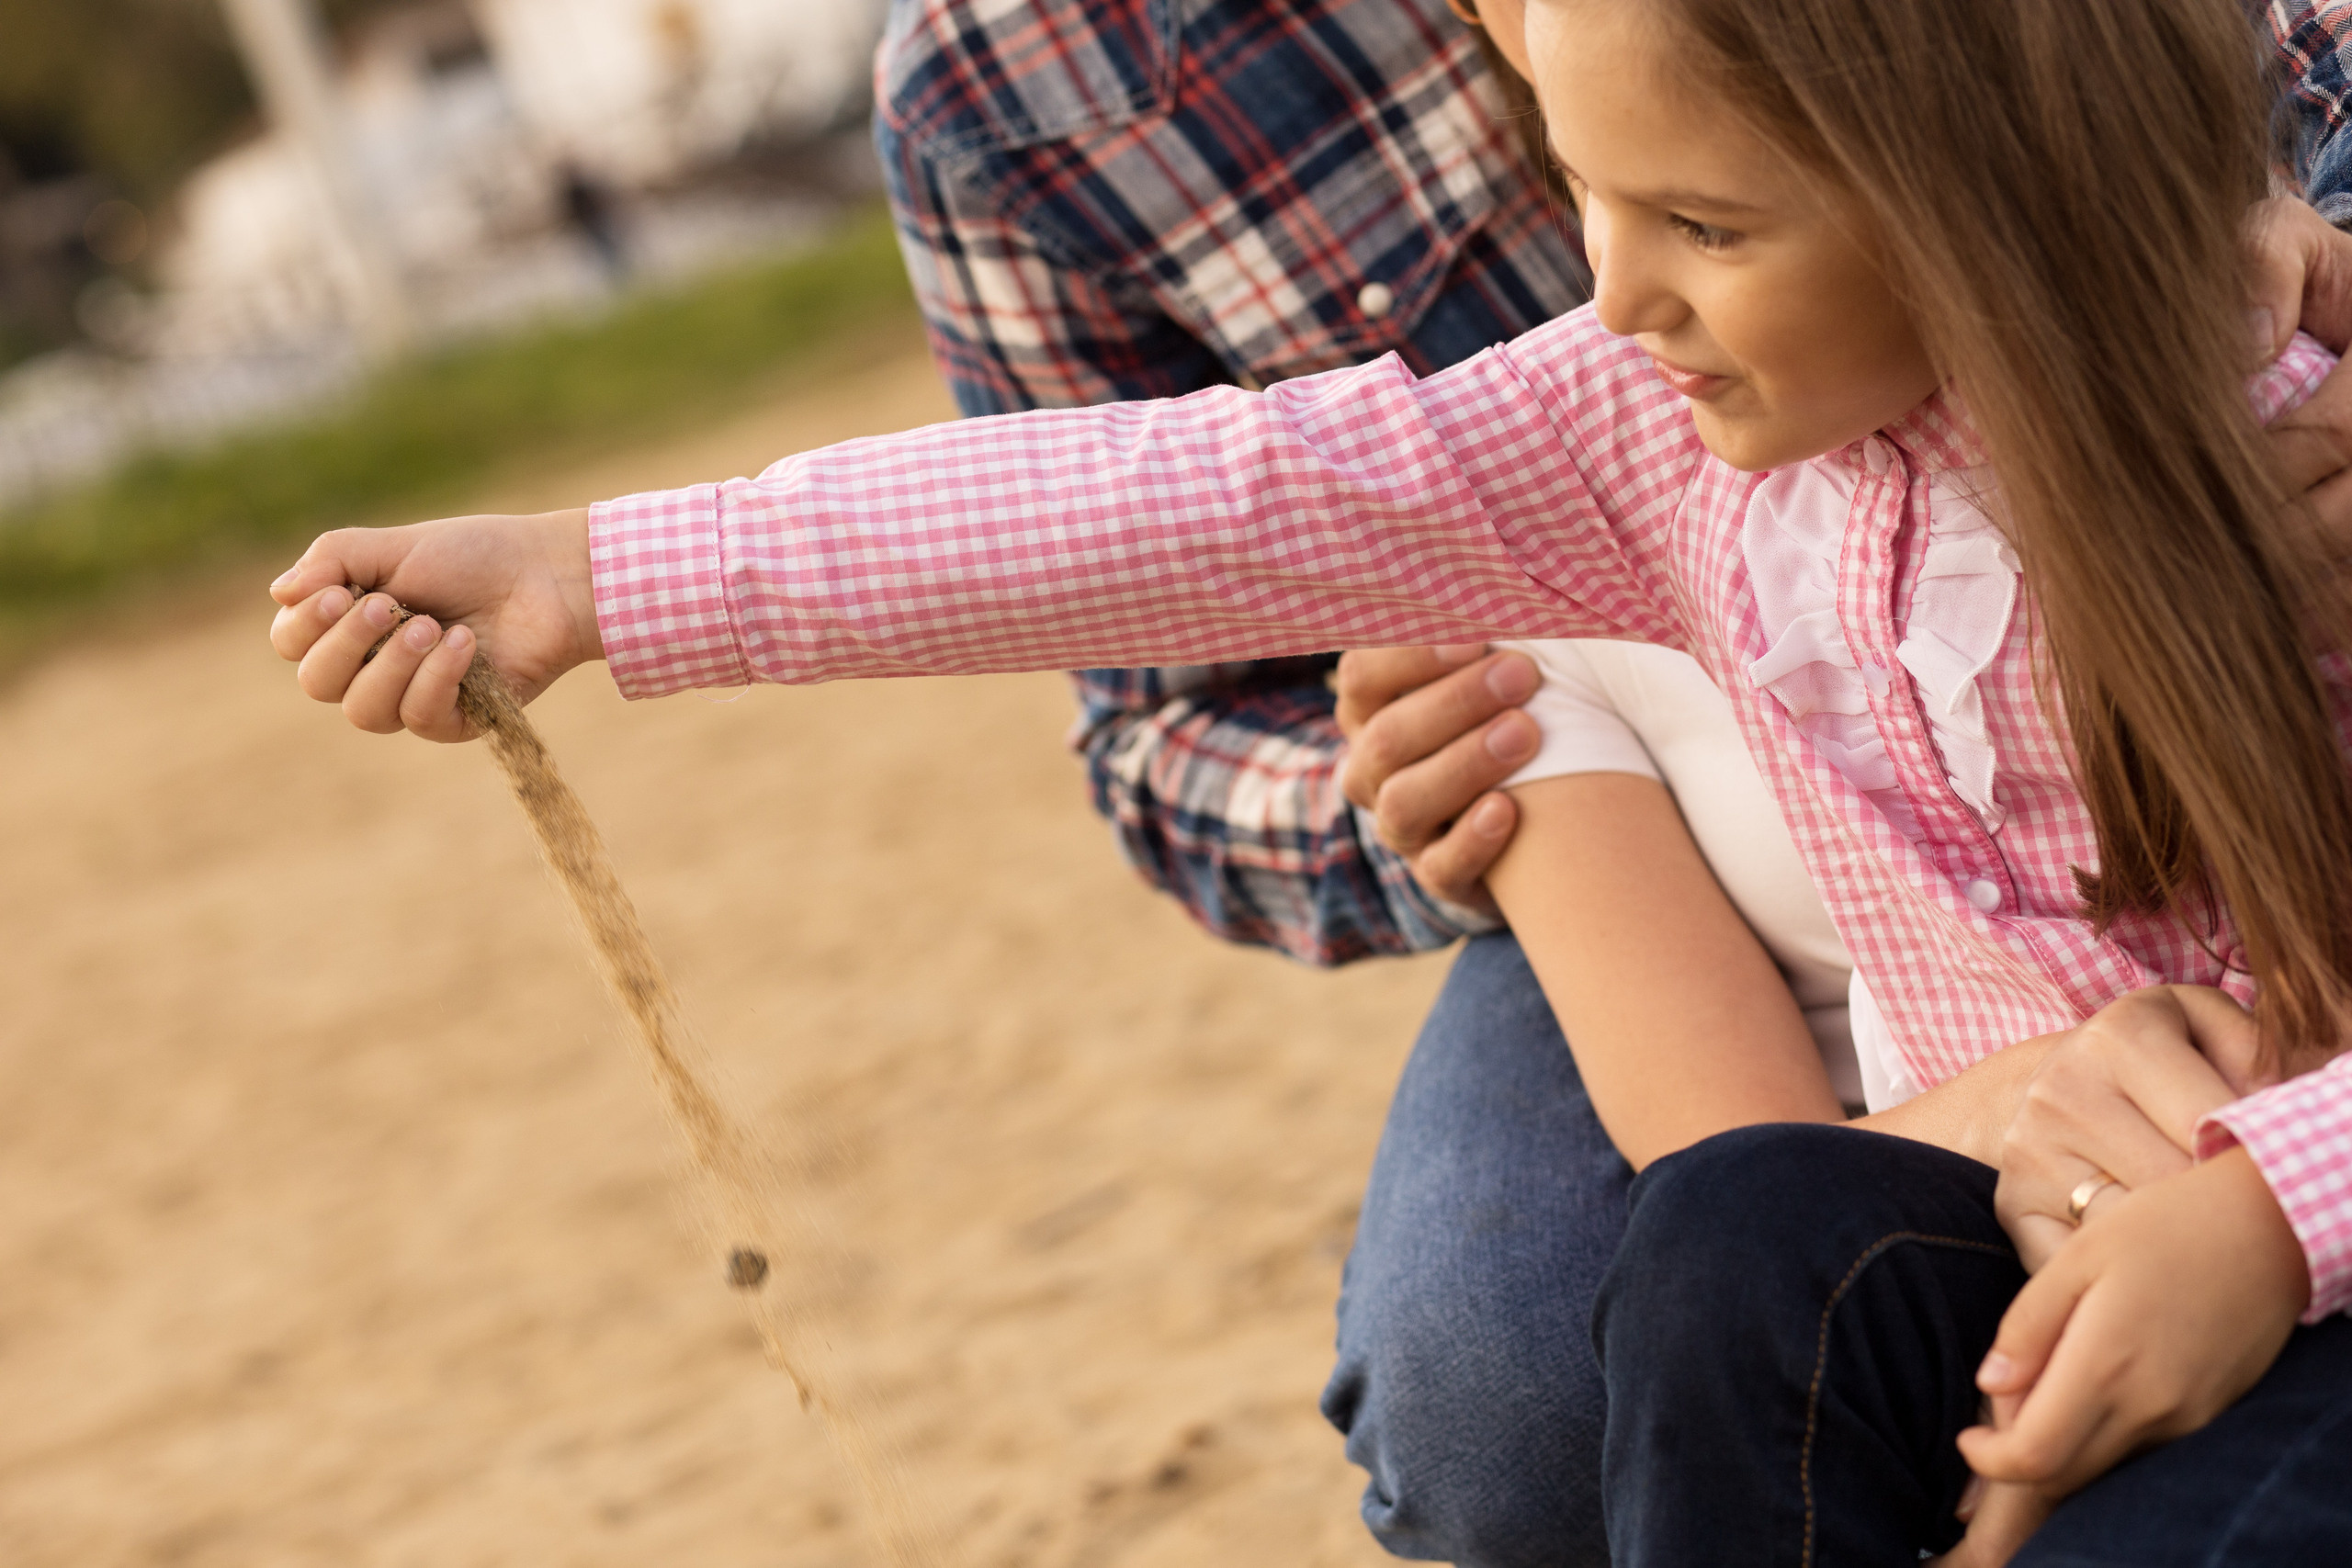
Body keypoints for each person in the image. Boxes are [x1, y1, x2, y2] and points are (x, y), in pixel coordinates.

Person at [267, 0, 2352, 1560]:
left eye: (1697, 221)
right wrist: (601, 577)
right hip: (2001, 1173)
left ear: (1977, 193)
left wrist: (2269, 1207)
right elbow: (1182, 507)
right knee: (1714, 1246)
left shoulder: (2290, 428)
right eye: (1580, 201)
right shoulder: (1625, 421)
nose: (1611, 293)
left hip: (2289, 1187)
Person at [872, 2, 1849, 1562]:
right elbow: (1150, 712)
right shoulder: (1007, 75)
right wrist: (1415, 789)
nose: (1616, 302)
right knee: (1514, 1395)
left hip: (2073, 579)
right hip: (1592, 801)